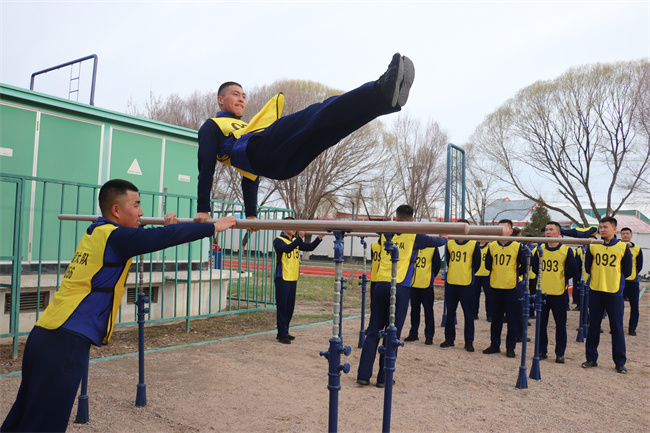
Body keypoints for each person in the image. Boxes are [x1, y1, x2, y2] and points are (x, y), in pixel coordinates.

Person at [1, 179, 236, 433]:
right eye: (136, 205)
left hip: (44, 334)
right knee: (43, 425)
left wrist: (170, 227)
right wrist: (213, 227)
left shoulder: (96, 232)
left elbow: (151, 236)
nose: (141, 212)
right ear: (116, 210)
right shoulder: (116, 238)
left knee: (23, 417)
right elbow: (158, 237)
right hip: (66, 341)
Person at [194, 53, 415, 222]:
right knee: (316, 113)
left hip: (279, 165)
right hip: (264, 154)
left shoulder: (245, 126)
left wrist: (251, 214)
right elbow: (206, 165)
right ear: (220, 100)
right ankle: (379, 89)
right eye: (235, 95)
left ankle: (386, 102)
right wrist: (203, 208)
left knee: (329, 131)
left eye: (244, 96)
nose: (242, 99)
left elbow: (249, 175)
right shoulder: (212, 126)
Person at [356, 205, 447, 387]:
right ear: (412, 219)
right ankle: (384, 378)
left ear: (396, 217)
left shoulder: (385, 231)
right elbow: (438, 242)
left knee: (373, 330)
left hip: (380, 283)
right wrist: (445, 236)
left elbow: (376, 227)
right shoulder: (415, 235)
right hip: (400, 287)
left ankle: (363, 375)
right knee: (392, 331)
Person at [582, 216, 632, 374]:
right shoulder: (593, 246)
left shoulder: (623, 247)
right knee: (593, 326)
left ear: (614, 228)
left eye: (605, 227)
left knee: (616, 327)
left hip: (614, 292)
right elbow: (588, 267)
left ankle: (620, 362)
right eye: (601, 227)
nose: (602, 229)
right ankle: (591, 358)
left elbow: (628, 270)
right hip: (596, 291)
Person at [531, 222, 578, 363]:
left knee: (560, 325)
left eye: (551, 229)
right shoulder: (539, 249)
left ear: (558, 233)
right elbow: (534, 268)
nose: (548, 232)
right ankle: (541, 351)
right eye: (546, 230)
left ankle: (560, 353)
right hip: (542, 292)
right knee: (541, 325)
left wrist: (561, 277)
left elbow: (574, 269)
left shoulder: (565, 250)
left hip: (559, 293)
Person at [273, 219, 324, 344]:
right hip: (282, 278)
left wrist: (319, 238)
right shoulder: (278, 240)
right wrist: (300, 238)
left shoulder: (295, 241)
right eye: (291, 226)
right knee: (282, 307)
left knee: (290, 308)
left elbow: (310, 247)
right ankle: (282, 333)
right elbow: (287, 249)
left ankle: (285, 331)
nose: (294, 229)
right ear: (284, 227)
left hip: (293, 278)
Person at [482, 219, 526, 358]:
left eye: (503, 228)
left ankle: (510, 347)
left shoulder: (517, 246)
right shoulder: (492, 246)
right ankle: (494, 345)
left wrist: (513, 275)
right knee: (496, 319)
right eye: (498, 228)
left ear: (510, 231)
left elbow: (524, 266)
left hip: (511, 287)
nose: (500, 231)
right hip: (495, 286)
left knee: (512, 319)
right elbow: (488, 265)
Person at [440, 219, 481, 352]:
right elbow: (449, 261)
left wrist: (468, 274)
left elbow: (477, 264)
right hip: (451, 283)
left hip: (466, 284)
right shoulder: (450, 243)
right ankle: (449, 339)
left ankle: (469, 341)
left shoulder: (474, 244)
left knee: (468, 315)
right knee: (450, 313)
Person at [404, 246, 441, 345]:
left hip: (427, 285)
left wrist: (431, 276)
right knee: (414, 311)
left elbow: (437, 265)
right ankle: (413, 333)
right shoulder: (413, 246)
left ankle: (429, 336)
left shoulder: (433, 248)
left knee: (428, 311)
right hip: (414, 284)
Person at [620, 227, 643, 336]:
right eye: (623, 233)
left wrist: (633, 274)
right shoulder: (617, 247)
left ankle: (632, 328)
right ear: (621, 235)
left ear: (631, 235)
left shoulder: (637, 249)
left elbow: (639, 265)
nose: (625, 235)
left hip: (633, 282)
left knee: (634, 306)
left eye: (627, 233)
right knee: (618, 306)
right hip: (619, 281)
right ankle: (617, 327)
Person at [474, 241, 493, 321]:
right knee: (474, 296)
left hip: (487, 275)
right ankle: (474, 313)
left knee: (489, 296)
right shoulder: (475, 245)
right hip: (476, 274)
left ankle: (490, 315)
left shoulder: (490, 246)